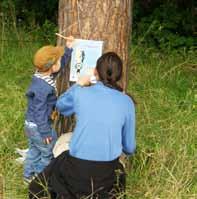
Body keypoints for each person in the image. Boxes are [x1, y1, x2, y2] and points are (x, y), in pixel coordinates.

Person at [29, 52, 136, 199]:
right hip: (106, 177)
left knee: (36, 186)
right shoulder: (127, 102)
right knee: (119, 176)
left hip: (76, 172)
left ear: (95, 71)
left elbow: (60, 106)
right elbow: (129, 148)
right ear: (119, 75)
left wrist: (78, 85)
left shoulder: (81, 92)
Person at [24, 36, 74, 183]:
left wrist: (68, 49)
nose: (60, 62)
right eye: (58, 61)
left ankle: (27, 176)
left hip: (30, 125)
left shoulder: (41, 76)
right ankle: (39, 179)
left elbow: (58, 67)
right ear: (52, 66)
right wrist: (45, 132)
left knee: (34, 151)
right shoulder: (43, 88)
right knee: (47, 153)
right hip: (40, 127)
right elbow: (39, 111)